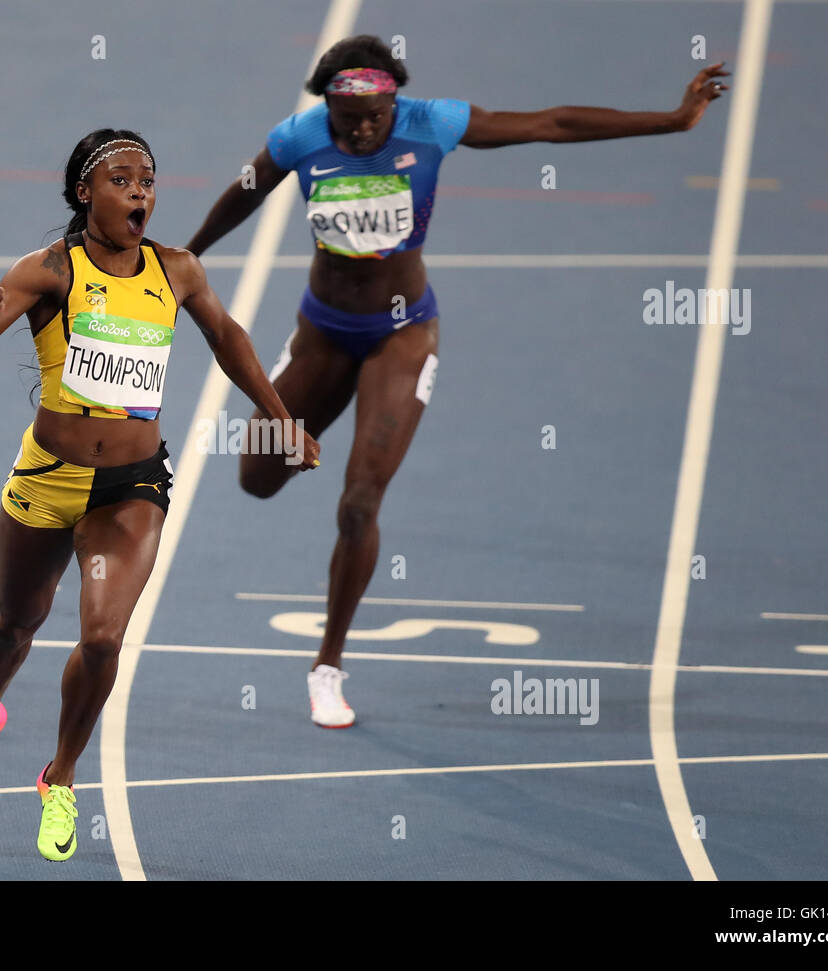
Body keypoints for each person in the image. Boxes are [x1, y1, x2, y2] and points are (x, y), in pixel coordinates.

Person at [185, 35, 728, 728]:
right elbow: (247, 192)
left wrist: (671, 118)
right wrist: (186, 256)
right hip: (324, 331)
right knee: (257, 477)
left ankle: (327, 665)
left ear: (394, 103)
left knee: (358, 503)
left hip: (402, 334)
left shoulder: (432, 122)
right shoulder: (298, 138)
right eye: (346, 122)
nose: (358, 132)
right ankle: (321, 413)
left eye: (373, 119)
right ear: (326, 107)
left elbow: (550, 124)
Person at [0, 128, 320, 861]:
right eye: (122, 180)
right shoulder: (49, 270)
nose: (140, 191)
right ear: (86, 192)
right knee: (15, 624)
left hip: (130, 486)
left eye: (148, 180)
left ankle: (62, 777)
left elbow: (230, 338)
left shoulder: (175, 271)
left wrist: (280, 416)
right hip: (48, 478)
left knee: (104, 637)